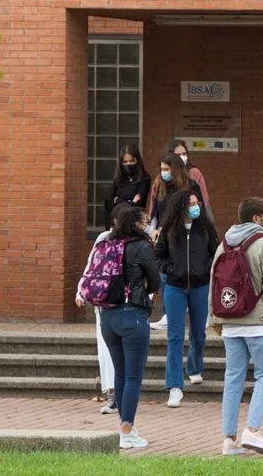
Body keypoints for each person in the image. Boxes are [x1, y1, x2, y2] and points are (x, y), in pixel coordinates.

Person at [81, 203, 159, 449]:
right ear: (135, 224)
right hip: (132, 315)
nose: (147, 224)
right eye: (144, 221)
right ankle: (126, 430)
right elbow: (155, 280)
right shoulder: (141, 246)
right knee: (133, 377)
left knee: (120, 372)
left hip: (107, 316)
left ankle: (127, 427)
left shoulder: (105, 243)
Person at [211, 197, 263, 456]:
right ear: (256, 219)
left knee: (233, 377)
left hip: (230, 321)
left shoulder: (223, 244)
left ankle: (229, 439)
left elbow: (214, 285)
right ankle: (252, 430)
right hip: (260, 322)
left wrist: (216, 319)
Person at [155, 190, 219, 408]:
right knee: (175, 336)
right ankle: (174, 386)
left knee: (198, 332)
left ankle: (194, 367)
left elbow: (215, 252)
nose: (195, 206)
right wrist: (170, 270)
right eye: (190, 203)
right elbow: (158, 255)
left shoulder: (206, 228)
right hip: (175, 287)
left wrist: (205, 268)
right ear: (180, 206)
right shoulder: (169, 230)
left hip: (200, 286)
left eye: (196, 203)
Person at [148, 153, 203, 330]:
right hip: (166, 236)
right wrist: (154, 229)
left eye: (166, 169)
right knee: (165, 276)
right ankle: (167, 314)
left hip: (187, 234)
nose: (163, 173)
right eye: (161, 169)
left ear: (175, 169)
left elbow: (198, 210)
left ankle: (195, 312)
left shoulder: (191, 186)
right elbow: (156, 213)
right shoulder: (162, 188)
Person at [76, 229, 118, 415]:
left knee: (122, 353)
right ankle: (112, 394)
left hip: (128, 306)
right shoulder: (104, 238)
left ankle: (122, 394)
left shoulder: (139, 241)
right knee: (105, 352)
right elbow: (91, 268)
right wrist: (81, 292)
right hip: (104, 304)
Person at [103, 145, 151, 230]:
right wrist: (131, 202)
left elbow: (138, 204)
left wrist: (118, 200)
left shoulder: (144, 178)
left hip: (134, 225)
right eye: (125, 162)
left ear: (137, 160)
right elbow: (110, 202)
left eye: (131, 161)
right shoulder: (118, 178)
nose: (128, 164)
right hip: (115, 223)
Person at [168, 139, 214, 221]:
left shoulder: (194, 173)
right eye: (178, 154)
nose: (182, 157)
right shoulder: (165, 174)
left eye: (184, 154)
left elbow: (204, 200)